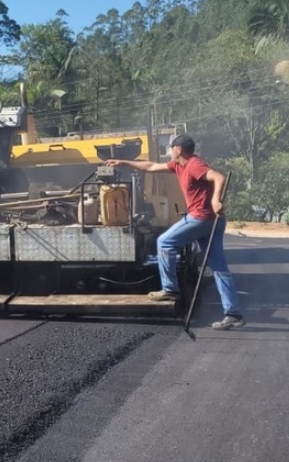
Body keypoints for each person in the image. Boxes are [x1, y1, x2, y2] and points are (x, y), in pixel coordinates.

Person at [105, 134, 245, 330]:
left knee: (164, 242)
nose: (170, 152)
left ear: (178, 149)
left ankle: (170, 289)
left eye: (171, 149)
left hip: (201, 218)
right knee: (219, 268)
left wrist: (215, 200)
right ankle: (233, 313)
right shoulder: (177, 166)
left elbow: (218, 177)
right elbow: (151, 167)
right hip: (213, 222)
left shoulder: (194, 165)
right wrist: (123, 162)